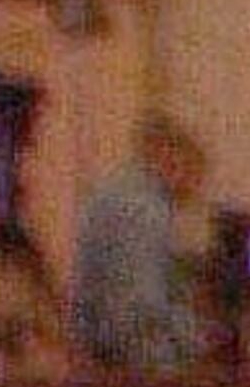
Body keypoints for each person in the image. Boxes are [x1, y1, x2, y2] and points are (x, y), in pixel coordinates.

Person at [68, 111, 210, 372]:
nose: (193, 190)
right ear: (170, 156)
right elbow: (141, 311)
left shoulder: (108, 195)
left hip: (97, 358)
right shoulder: (145, 210)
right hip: (134, 371)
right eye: (194, 173)